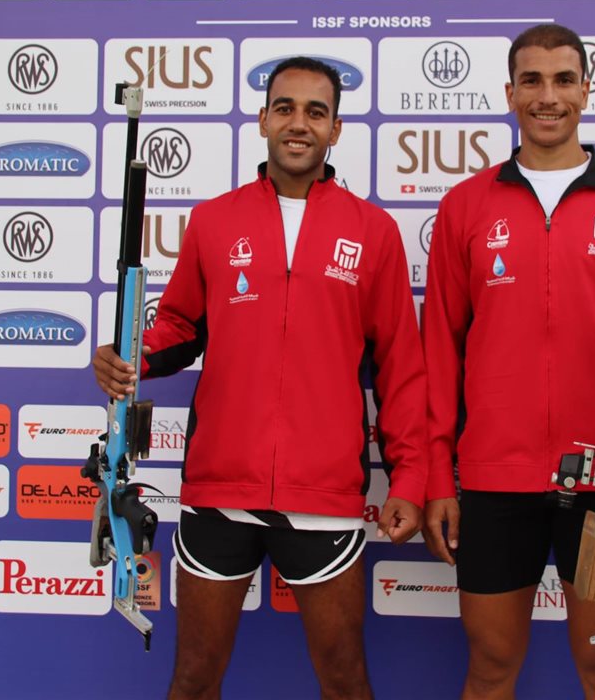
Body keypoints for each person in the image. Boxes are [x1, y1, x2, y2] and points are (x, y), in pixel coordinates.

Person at [92, 57, 427, 700]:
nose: (299, 123)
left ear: (335, 129)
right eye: (285, 108)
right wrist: (130, 354)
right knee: (194, 679)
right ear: (263, 119)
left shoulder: (373, 231)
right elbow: (180, 326)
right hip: (221, 487)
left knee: (345, 681)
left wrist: (410, 478)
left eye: (316, 112)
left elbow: (401, 370)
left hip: (324, 493)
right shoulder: (215, 220)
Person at [421, 24, 595, 700]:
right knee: (490, 668)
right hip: (496, 478)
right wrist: (436, 474)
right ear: (510, 92)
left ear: (586, 90)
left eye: (564, 80)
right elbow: (438, 352)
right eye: (533, 81)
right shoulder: (465, 206)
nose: (548, 96)